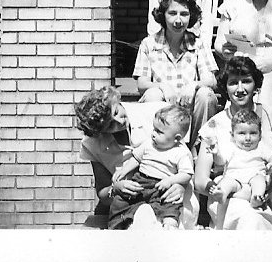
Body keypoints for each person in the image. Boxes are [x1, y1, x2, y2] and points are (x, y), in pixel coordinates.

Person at [195, 56, 272, 230]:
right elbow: (200, 180)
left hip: (270, 190)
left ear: (255, 84)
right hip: (231, 197)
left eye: (246, 81)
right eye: (233, 83)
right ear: (225, 87)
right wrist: (224, 190)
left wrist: (271, 179)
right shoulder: (214, 126)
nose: (240, 89)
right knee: (249, 220)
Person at [74, 86, 190, 223]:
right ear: (99, 132)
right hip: (131, 201)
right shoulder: (92, 144)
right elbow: (103, 192)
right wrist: (115, 189)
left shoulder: (158, 115)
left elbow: (185, 159)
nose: (120, 121)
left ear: (117, 100)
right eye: (110, 125)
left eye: (116, 112)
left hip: (167, 190)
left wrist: (181, 185)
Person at [134, 0, 219, 150]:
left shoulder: (198, 44)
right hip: (163, 110)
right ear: (163, 15)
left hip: (190, 111)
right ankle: (156, 150)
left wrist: (194, 85)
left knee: (206, 94)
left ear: (191, 17)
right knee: (152, 94)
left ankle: (198, 149)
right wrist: (162, 86)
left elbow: (212, 80)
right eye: (172, 13)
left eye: (184, 14)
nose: (178, 20)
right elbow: (142, 84)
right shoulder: (149, 44)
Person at [109, 105, 194, 230]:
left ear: (176, 138)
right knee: (121, 199)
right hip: (141, 181)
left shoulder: (181, 153)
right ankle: (119, 223)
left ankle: (170, 224)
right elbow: (136, 158)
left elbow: (187, 174)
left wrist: (171, 180)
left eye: (159, 132)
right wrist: (124, 170)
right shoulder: (148, 144)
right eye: (154, 129)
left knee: (171, 202)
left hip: (162, 186)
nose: (153, 134)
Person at [203, 109, 272, 210]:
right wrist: (216, 154)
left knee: (260, 181)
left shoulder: (261, 147)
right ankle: (222, 195)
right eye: (242, 133)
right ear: (232, 135)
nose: (248, 138)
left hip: (254, 176)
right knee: (226, 182)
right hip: (235, 178)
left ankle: (256, 198)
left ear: (260, 135)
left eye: (253, 133)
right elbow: (221, 161)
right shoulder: (231, 147)